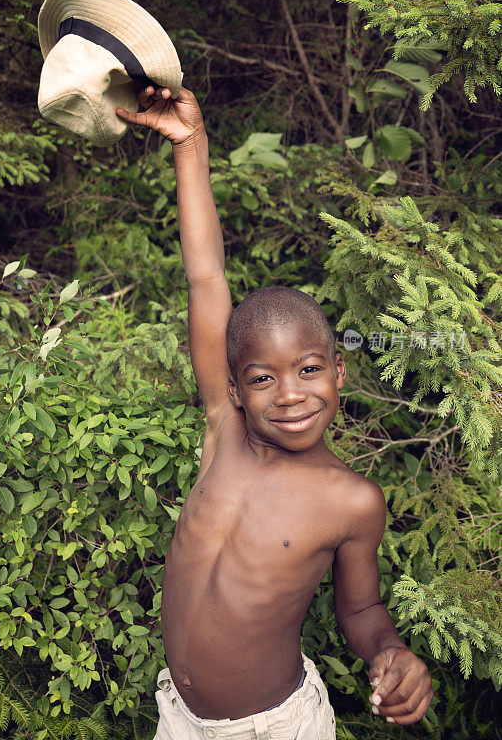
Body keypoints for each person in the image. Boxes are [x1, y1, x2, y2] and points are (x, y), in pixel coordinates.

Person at [116, 86, 434, 739]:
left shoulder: (351, 501)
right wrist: (189, 143)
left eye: (310, 371)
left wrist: (391, 655)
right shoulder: (223, 430)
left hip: (277, 728)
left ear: (338, 373)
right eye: (264, 378)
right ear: (234, 388)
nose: (290, 394)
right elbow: (206, 276)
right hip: (177, 719)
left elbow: (364, 609)